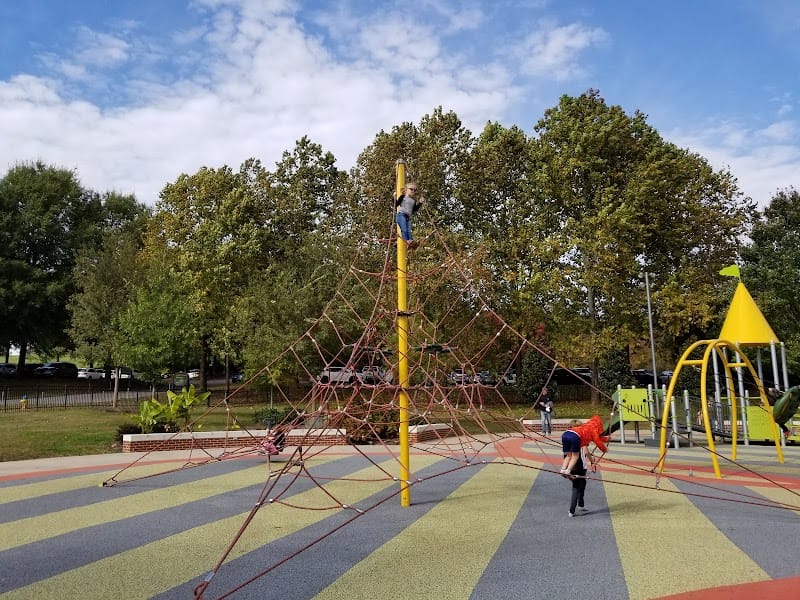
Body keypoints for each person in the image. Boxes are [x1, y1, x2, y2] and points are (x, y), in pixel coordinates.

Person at [395, 182, 424, 248]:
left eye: (415, 190)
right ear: (406, 189)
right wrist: (394, 198)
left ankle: (410, 241)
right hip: (401, 215)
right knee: (404, 228)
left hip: (407, 216)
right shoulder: (403, 197)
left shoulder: (413, 201)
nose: (413, 191)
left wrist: (420, 203)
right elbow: (396, 204)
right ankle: (406, 241)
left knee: (409, 230)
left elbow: (414, 209)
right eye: (411, 189)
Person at [568, 446, 590, 517]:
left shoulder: (569, 443)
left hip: (572, 467)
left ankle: (581, 505)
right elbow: (586, 451)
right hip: (580, 468)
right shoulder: (582, 442)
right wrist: (592, 460)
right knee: (576, 488)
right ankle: (571, 511)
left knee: (582, 484)